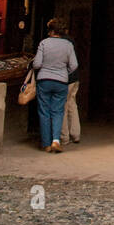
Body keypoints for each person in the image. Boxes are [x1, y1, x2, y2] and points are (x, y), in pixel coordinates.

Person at [33, 18, 78, 152]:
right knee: (58, 111)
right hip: (61, 82)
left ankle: (46, 143)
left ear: (51, 31)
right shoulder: (68, 45)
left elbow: (37, 64)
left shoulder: (44, 43)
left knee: (44, 111)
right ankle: (56, 141)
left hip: (44, 80)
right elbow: (74, 65)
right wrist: (64, 72)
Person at [57, 24, 81, 147]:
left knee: (63, 107)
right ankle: (75, 134)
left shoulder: (61, 42)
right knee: (72, 104)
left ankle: (64, 137)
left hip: (66, 78)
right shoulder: (71, 41)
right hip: (75, 78)